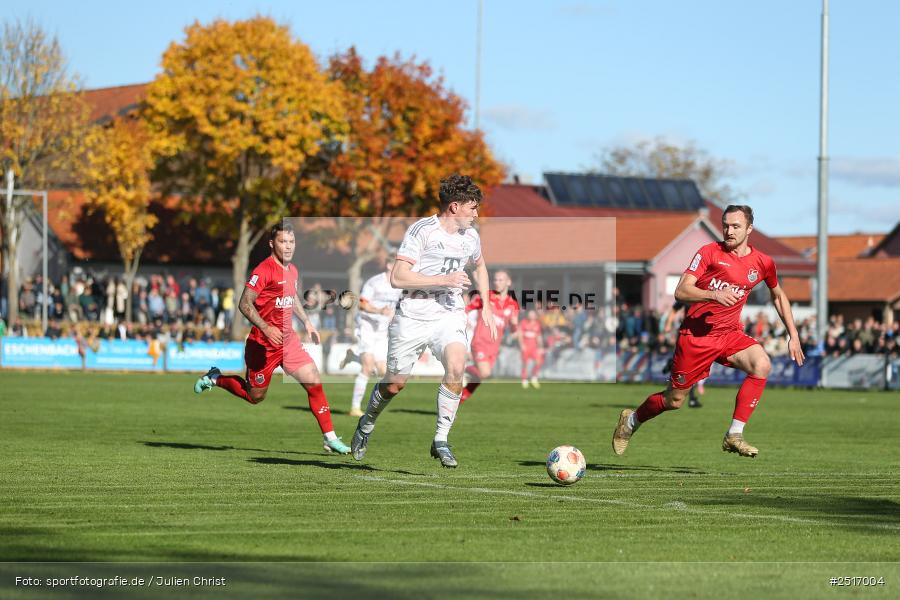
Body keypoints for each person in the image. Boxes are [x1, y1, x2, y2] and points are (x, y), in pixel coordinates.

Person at [612, 205, 805, 458]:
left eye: (735, 226)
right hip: (696, 339)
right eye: (726, 225)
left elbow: (778, 296)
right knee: (674, 401)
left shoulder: (763, 262)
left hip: (729, 335)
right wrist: (713, 294)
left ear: (749, 229)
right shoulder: (709, 253)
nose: (729, 230)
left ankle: (734, 434)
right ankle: (631, 421)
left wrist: (794, 335)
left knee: (762, 364)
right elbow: (681, 291)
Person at [350, 174, 497, 468]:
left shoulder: (472, 237)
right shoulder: (422, 231)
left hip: (449, 313)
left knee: (456, 367)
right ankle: (366, 424)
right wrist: (444, 279)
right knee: (394, 385)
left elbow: (480, 267)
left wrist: (487, 306)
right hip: (414, 314)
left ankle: (441, 439)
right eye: (472, 208)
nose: (476, 215)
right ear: (454, 207)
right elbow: (397, 277)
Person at [193, 222, 350, 454]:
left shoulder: (292, 270)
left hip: (288, 341)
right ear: (271, 244)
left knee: (314, 380)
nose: (288, 247)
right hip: (262, 345)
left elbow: (292, 297)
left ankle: (330, 437)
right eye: (282, 242)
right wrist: (266, 328)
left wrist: (306, 322)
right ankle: (215, 378)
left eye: (291, 242)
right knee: (254, 396)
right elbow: (244, 303)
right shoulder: (263, 270)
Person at [342, 258, 403, 417]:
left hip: (382, 330)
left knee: (382, 372)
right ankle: (355, 408)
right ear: (389, 265)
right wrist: (378, 311)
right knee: (368, 367)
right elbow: (362, 304)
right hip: (366, 326)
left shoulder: (400, 284)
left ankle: (353, 357)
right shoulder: (375, 282)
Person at [460, 269, 519, 403]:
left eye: (500, 280)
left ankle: (460, 398)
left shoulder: (513, 304)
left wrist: (515, 328)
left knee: (480, 377)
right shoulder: (487, 297)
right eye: (495, 280)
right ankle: (463, 371)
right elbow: (468, 308)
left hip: (494, 347)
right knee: (485, 373)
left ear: (509, 282)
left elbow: (514, 325)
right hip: (480, 342)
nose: (497, 282)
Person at [662, 300, 703, 408]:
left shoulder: (707, 292)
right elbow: (674, 309)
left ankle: (671, 364)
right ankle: (692, 399)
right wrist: (668, 325)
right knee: (689, 366)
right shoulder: (688, 294)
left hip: (701, 335)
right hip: (687, 333)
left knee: (692, 367)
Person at [518, 309, 544, 388]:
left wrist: (541, 347)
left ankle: (534, 377)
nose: (532, 316)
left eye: (533, 314)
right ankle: (524, 379)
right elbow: (520, 334)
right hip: (526, 346)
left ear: (535, 316)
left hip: (534, 347)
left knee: (539, 361)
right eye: (530, 314)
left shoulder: (537, 324)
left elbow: (539, 336)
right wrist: (522, 345)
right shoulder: (523, 322)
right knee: (525, 363)